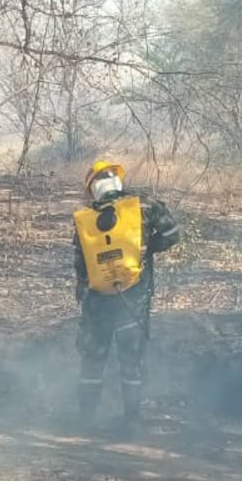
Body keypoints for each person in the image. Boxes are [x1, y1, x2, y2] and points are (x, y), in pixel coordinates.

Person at [72, 160, 181, 436]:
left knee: (93, 362)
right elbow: (172, 234)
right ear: (118, 181)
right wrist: (146, 252)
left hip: (97, 303)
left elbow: (81, 267)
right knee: (131, 361)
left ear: (92, 188)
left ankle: (85, 421)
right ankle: (131, 422)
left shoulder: (85, 220)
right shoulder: (144, 206)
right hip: (134, 299)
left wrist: (84, 301)